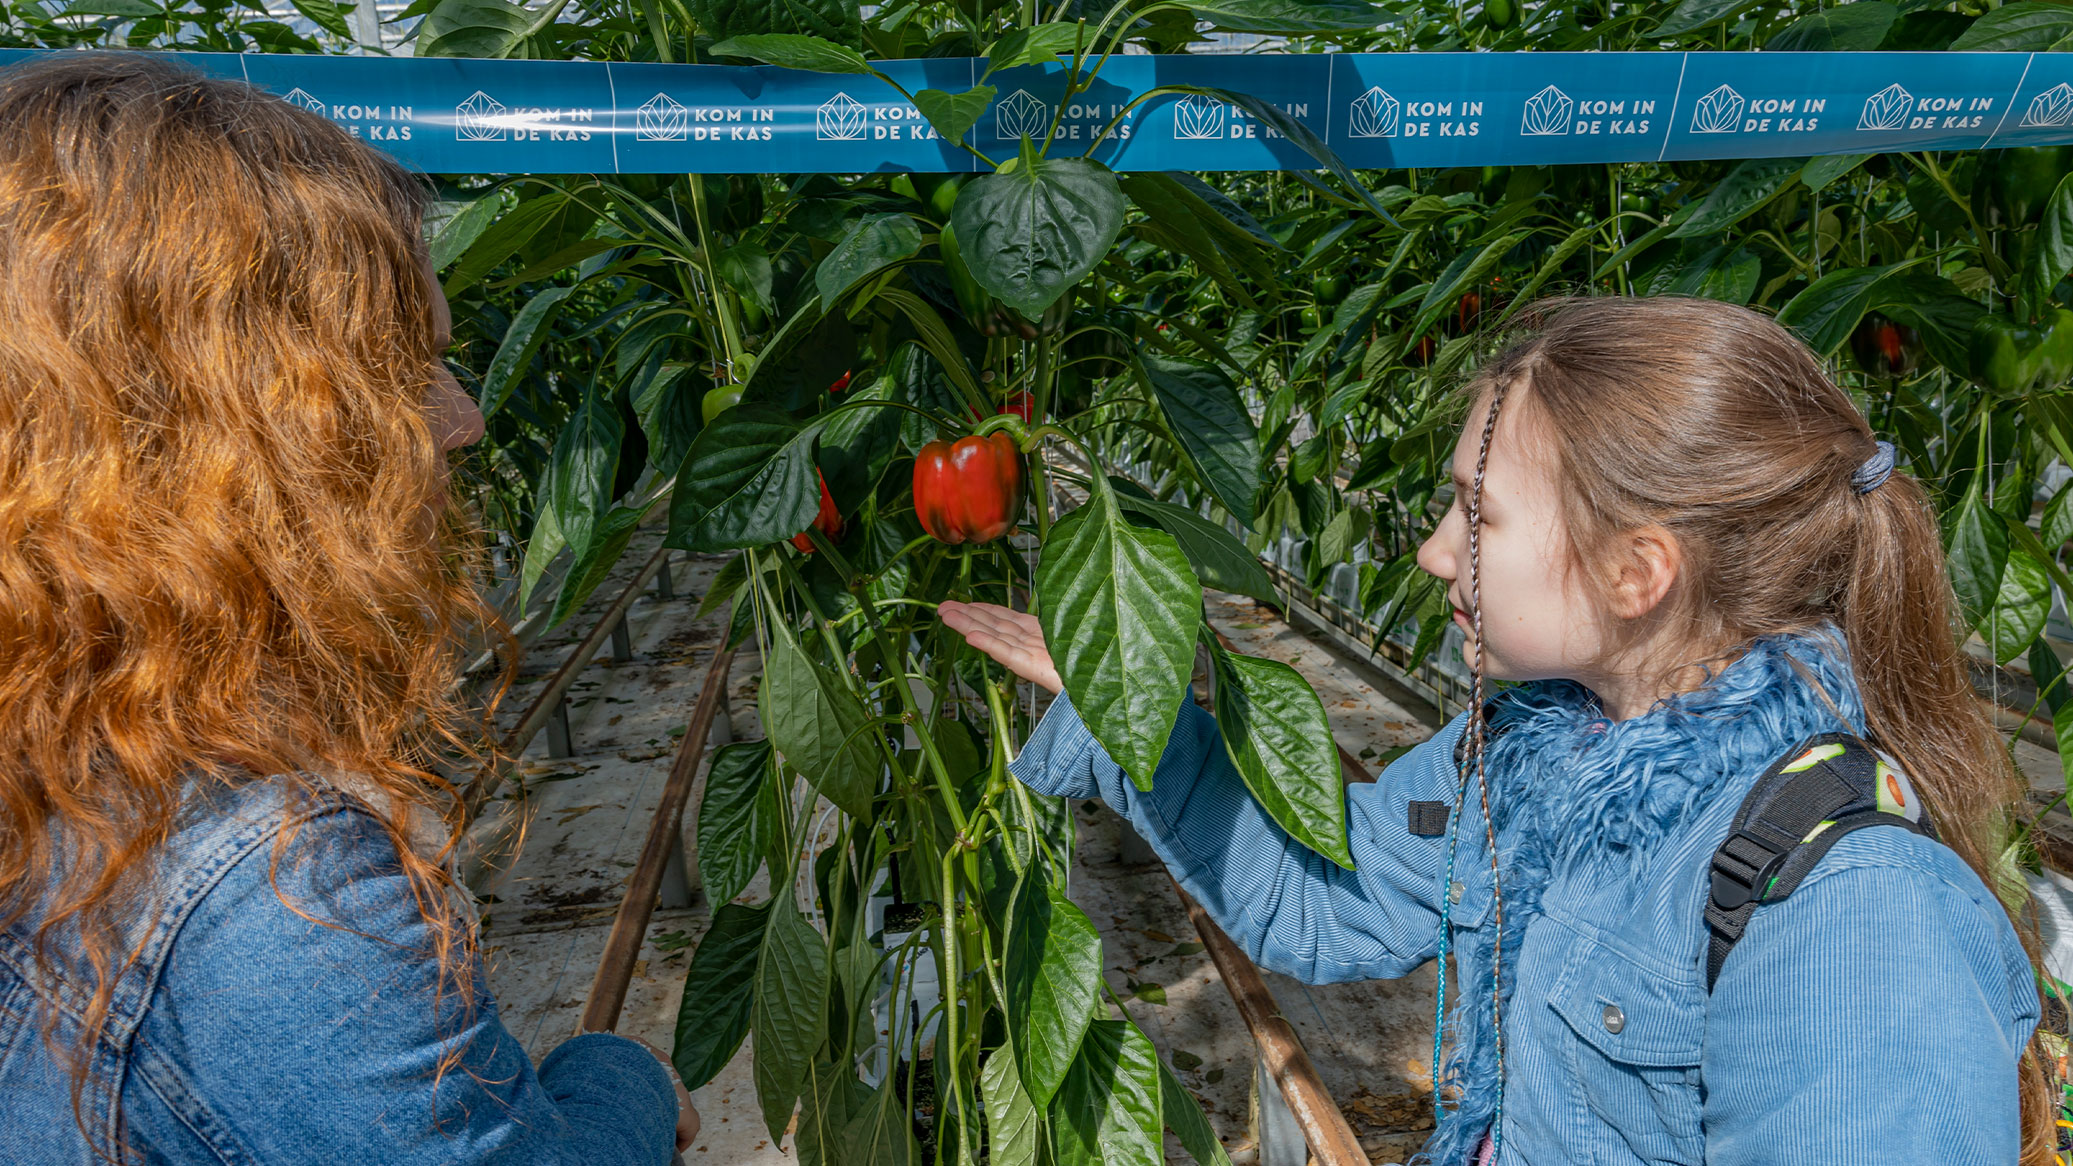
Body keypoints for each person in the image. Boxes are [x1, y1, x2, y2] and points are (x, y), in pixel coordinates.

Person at [942, 296, 2054, 1164]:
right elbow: (1326, 895)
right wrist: (1128, 702)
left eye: (1476, 514)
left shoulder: (1849, 916)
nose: (1434, 549)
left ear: (1638, 572)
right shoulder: (1523, 749)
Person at [0, 52, 695, 1165]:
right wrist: (621, 1079)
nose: (463, 423)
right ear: (234, 440)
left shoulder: (59, 771)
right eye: (400, 371)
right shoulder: (280, 896)